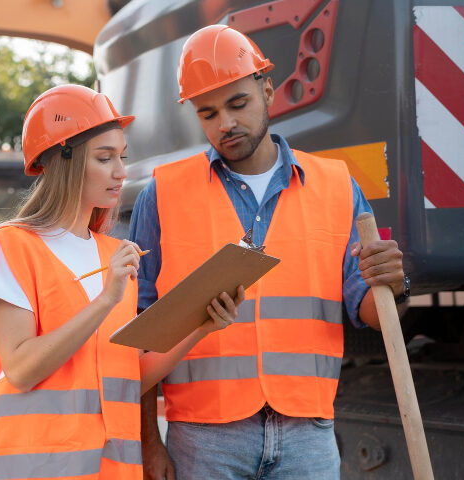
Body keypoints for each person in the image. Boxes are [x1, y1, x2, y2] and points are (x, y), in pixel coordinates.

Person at [130, 25, 409, 480]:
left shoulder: (337, 186)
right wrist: (148, 443)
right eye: (208, 113)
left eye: (237, 104)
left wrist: (391, 284)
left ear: (268, 89)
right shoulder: (161, 195)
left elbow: (372, 310)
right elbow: (139, 329)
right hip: (204, 438)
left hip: (308, 431)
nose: (225, 124)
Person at [0, 84, 244, 480]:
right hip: (35, 467)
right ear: (65, 162)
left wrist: (200, 326)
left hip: (111, 468)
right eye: (105, 158)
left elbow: (126, 376)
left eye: (122, 157)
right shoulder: (12, 246)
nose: (121, 171)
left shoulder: (114, 254)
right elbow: (21, 367)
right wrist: (106, 300)